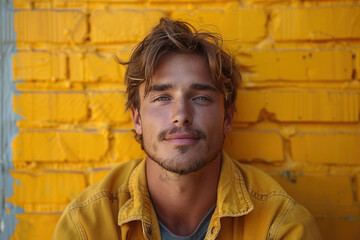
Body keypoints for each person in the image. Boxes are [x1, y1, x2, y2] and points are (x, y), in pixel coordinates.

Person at [53, 18, 322, 240]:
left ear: (228, 117)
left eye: (200, 97)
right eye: (162, 98)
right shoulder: (87, 226)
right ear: (136, 119)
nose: (181, 116)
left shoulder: (280, 226)